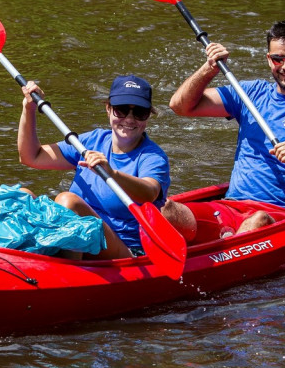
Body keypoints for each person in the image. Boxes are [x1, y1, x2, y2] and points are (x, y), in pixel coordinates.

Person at [165, 19, 285, 239]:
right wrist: (208, 69)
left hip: (283, 214)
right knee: (167, 210)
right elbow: (180, 106)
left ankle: (226, 255)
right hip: (232, 206)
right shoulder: (250, 94)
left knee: (257, 220)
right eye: (278, 59)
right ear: (269, 60)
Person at [17, 75, 171, 260]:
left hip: (125, 249)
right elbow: (31, 157)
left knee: (69, 202)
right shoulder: (92, 141)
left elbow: (149, 192)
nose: (129, 119)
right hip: (78, 236)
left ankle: (68, 276)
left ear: (148, 116)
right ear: (108, 109)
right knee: (21, 196)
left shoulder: (152, 157)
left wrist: (112, 173)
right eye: (121, 110)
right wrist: (29, 108)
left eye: (139, 113)